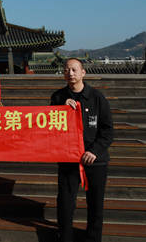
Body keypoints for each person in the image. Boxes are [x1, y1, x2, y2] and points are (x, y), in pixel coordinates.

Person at [51, 58, 113, 242]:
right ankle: (65, 236)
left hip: (94, 159)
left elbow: (107, 130)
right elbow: (50, 126)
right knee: (65, 201)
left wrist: (94, 151)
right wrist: (61, 109)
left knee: (95, 203)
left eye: (74, 69)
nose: (70, 73)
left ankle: (93, 238)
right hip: (68, 158)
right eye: (66, 70)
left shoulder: (97, 97)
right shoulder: (58, 97)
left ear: (83, 73)